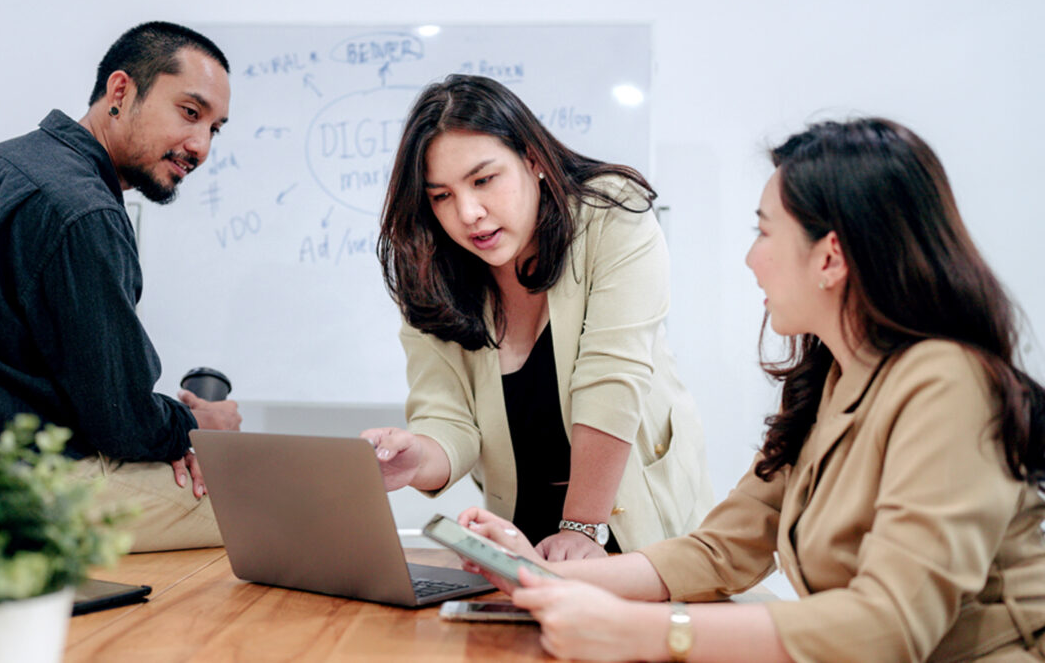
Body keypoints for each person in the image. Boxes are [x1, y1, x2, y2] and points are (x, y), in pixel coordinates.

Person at [460, 117, 1045, 661]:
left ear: (831, 256)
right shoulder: (832, 381)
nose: (749, 259)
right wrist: (539, 574)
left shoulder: (949, 386)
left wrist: (639, 631)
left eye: (763, 233)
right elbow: (723, 549)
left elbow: (890, 622)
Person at [0, 22, 242, 552]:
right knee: (261, 501)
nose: (200, 147)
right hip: (6, 499)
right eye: (190, 113)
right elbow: (124, 424)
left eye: (215, 129)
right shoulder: (83, 210)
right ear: (120, 91)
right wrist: (196, 424)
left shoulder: (8, 163)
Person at [363, 75, 714, 561]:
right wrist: (416, 456)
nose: (468, 213)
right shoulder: (432, 270)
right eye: (441, 196)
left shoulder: (611, 216)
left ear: (532, 159)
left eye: (484, 180)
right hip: (522, 543)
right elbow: (449, 417)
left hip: (637, 533)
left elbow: (611, 380)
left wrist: (581, 528)